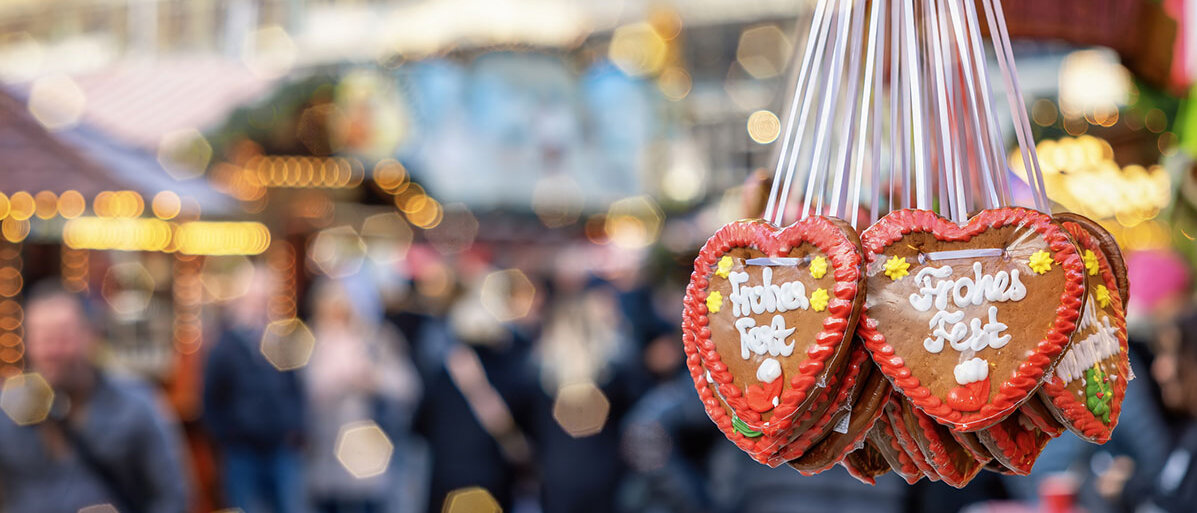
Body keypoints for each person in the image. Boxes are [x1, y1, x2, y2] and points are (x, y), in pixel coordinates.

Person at [0, 281, 189, 513]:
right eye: (41, 338)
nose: (51, 351)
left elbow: (171, 497)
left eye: (61, 337)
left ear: (90, 335)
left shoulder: (134, 406)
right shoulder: (8, 411)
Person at [304, 276, 421, 513]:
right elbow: (303, 389)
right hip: (322, 451)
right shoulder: (311, 341)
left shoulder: (376, 339)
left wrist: (373, 378)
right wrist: (340, 379)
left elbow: (408, 387)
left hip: (369, 452)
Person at [203, 265, 305, 513]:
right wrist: (227, 435)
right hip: (242, 450)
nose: (260, 306)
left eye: (264, 300)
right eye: (255, 300)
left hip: (280, 445)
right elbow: (210, 398)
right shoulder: (225, 347)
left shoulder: (278, 340)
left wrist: (296, 426)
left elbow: (295, 387)